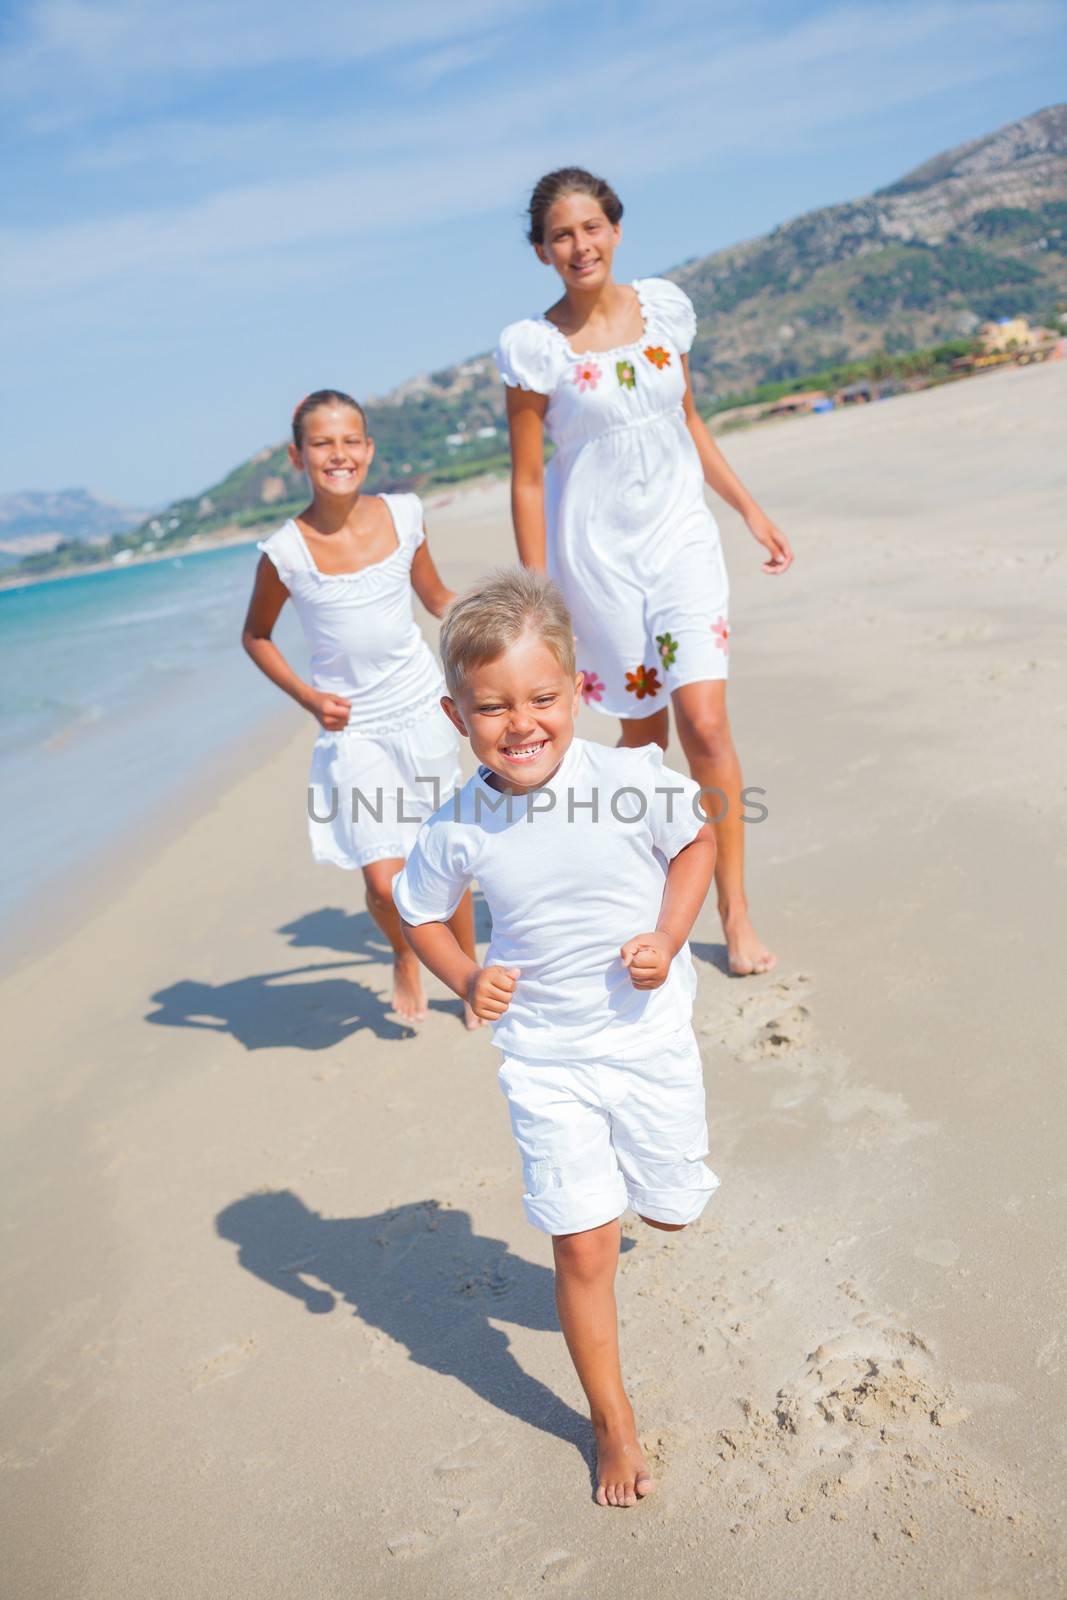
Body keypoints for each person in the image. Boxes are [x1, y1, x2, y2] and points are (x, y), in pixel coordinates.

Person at [393, 568, 720, 1507]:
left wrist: (665, 934)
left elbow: (696, 841)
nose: (519, 723)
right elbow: (417, 912)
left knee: (665, 1214)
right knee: (581, 1246)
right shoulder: (458, 824)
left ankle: (637, 1194)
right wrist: (464, 975)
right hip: (545, 1059)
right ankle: (611, 1423)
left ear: (575, 693)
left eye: (540, 698)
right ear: (459, 720)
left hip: (646, 1039)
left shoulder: (625, 779)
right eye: (491, 708)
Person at [496, 166, 794, 977]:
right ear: (541, 251)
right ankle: (654, 900)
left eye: (590, 227)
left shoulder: (662, 310)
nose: (578, 245)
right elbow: (527, 479)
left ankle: (732, 909)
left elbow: (688, 420)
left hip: (680, 542)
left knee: (704, 725)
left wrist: (747, 508)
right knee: (640, 745)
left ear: (615, 230)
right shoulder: (535, 351)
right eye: (561, 234)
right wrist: (534, 595)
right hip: (594, 562)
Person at [241, 389, 478, 1027]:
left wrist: (502, 626)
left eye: (350, 440)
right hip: (355, 729)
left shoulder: (405, 515)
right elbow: (255, 637)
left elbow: (436, 598)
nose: (338, 454)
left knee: (445, 851)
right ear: (298, 456)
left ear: (369, 449)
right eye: (322, 443)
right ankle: (404, 952)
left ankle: (467, 969)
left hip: (422, 706)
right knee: (382, 882)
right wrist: (310, 697)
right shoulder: (284, 552)